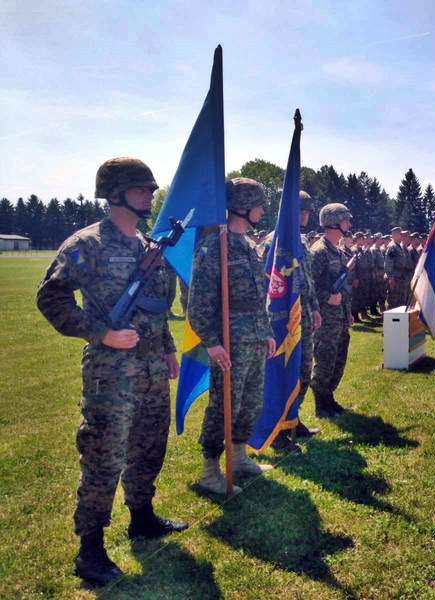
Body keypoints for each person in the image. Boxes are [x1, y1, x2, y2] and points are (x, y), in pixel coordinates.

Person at [36, 157, 187, 586]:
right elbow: (51, 298)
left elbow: (157, 307)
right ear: (115, 194)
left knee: (149, 448)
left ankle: (142, 518)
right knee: (103, 457)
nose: (150, 195)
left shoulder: (147, 246)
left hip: (153, 368)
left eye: (151, 189)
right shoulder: (88, 244)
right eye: (142, 189)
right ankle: (90, 550)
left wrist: (169, 349)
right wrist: (99, 332)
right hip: (111, 373)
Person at [188, 178, 276, 495]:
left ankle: (238, 457)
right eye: (258, 204)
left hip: (253, 338)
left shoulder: (249, 246)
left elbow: (258, 296)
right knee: (223, 406)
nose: (263, 209)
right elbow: (197, 303)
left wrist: (266, 332)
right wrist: (212, 342)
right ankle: (210, 470)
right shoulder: (215, 246)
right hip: (229, 342)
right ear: (241, 206)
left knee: (250, 403)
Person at [269, 190, 322, 451]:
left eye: (308, 211)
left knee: (303, 371)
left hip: (303, 316)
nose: (304, 215)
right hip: (283, 322)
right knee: (284, 372)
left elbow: (307, 281)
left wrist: (313, 307)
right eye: (300, 210)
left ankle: (293, 418)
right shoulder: (275, 242)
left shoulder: (300, 240)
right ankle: (278, 431)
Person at [310, 203, 355, 418]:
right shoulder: (319, 252)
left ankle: (330, 399)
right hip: (325, 319)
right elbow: (306, 286)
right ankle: (321, 405)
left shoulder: (337, 250)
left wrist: (348, 311)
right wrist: (327, 297)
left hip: (339, 318)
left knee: (338, 359)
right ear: (334, 222)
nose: (349, 223)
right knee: (325, 361)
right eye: (346, 219)